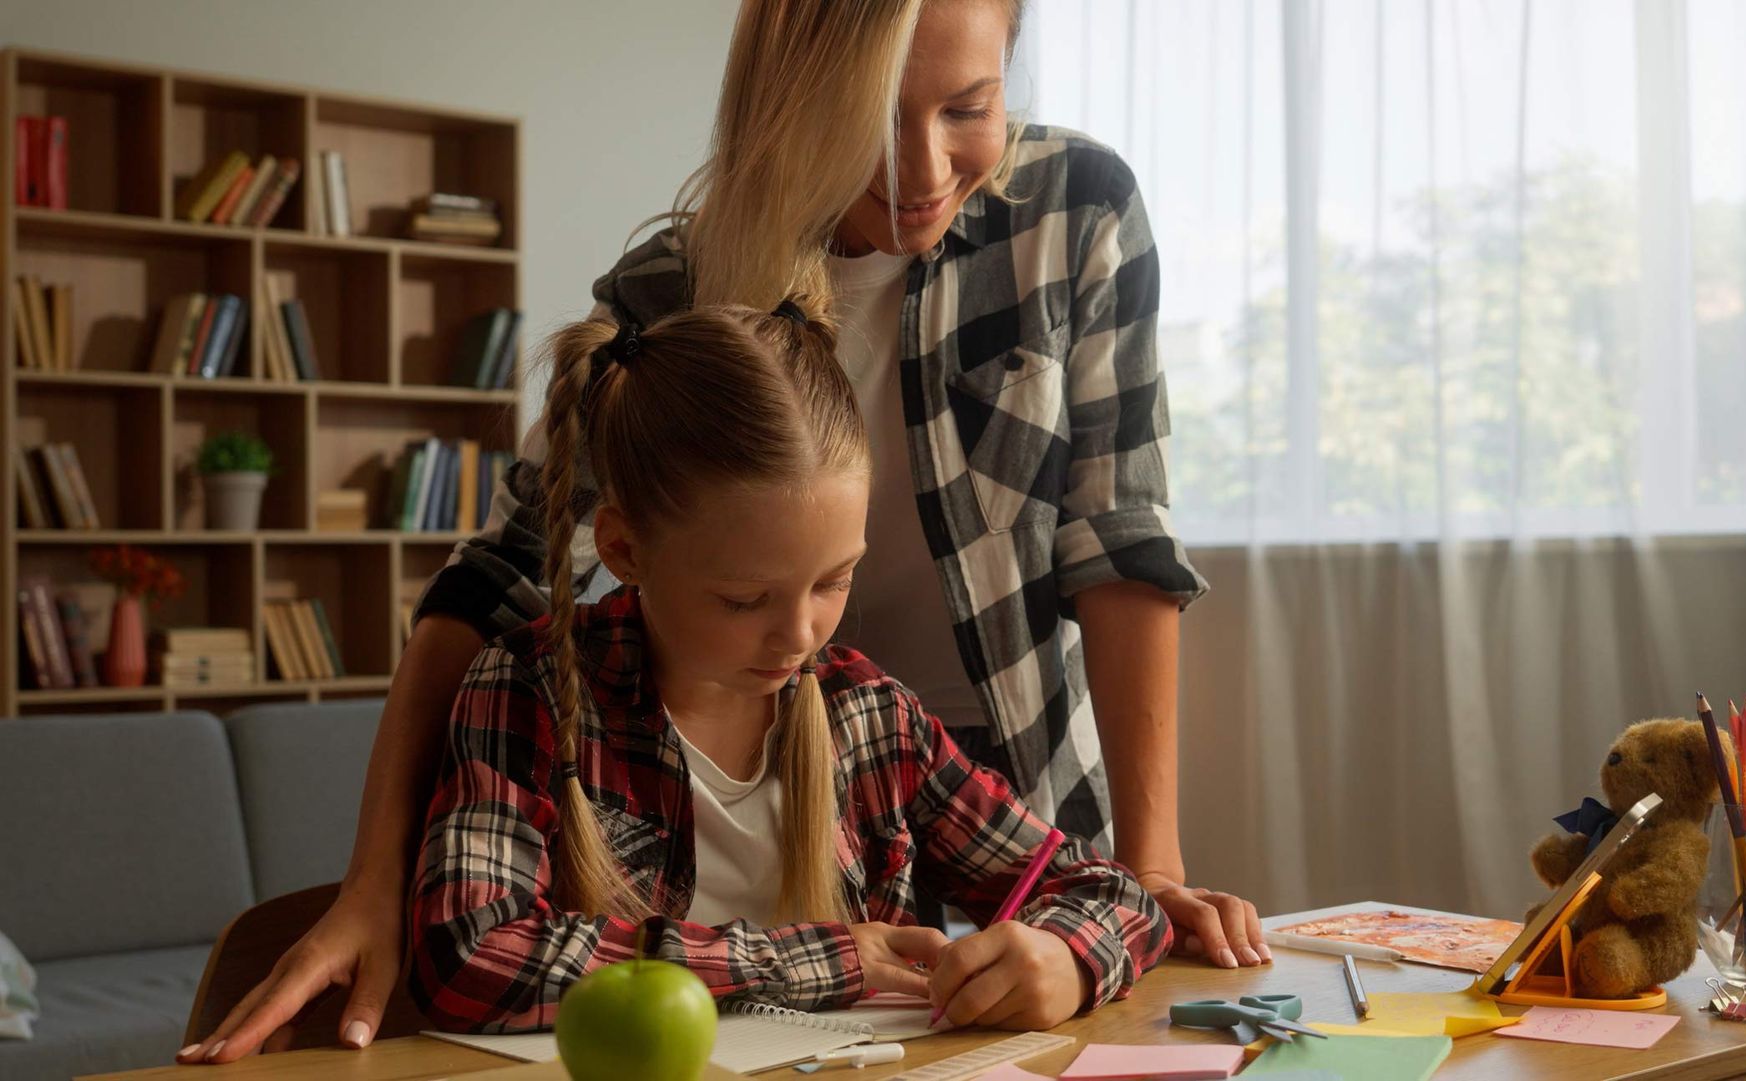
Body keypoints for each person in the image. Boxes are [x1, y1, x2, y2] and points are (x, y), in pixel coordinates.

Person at [181, 0, 1259, 1063]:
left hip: (929, 765)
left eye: (968, 107)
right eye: (870, 122)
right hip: (732, 738)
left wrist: (1142, 877)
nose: (924, 172)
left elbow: (1117, 546)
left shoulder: (1077, 211)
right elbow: (500, 575)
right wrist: (377, 876)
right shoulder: (668, 295)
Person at [413, 301, 1170, 1030]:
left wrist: (1067, 956)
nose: (799, 635)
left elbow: (1107, 890)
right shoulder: (527, 687)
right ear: (622, 549)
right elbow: (471, 955)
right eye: (744, 599)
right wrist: (815, 959)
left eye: (835, 580)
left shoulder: (871, 715)